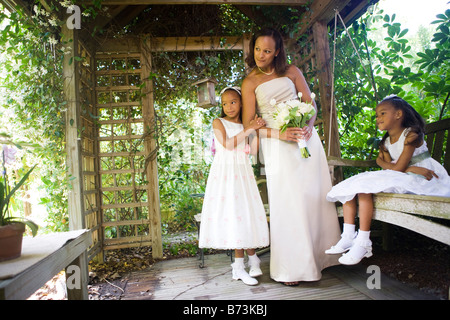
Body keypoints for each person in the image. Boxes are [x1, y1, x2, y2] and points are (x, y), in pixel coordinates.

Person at [241, 28, 341, 286]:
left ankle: (322, 258)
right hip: (278, 145)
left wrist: (309, 125)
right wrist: (279, 134)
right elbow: (249, 125)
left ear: (277, 52)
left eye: (267, 51)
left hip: (306, 141)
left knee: (314, 197)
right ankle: (292, 268)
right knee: (289, 203)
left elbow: (310, 104)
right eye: (257, 49)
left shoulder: (292, 71)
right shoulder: (250, 82)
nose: (261, 55)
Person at [326, 95, 450, 265]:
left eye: (383, 113)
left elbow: (393, 167)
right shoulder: (385, 142)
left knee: (365, 187)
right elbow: (383, 163)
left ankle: (363, 241)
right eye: (377, 115)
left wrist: (401, 167)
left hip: (424, 177)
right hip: (407, 173)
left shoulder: (411, 135)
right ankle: (348, 236)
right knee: (356, 186)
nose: (378, 118)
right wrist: (407, 168)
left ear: (398, 114)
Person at [199, 86, 270, 286]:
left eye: (233, 102)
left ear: (241, 103)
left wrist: (255, 131)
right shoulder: (218, 122)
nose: (229, 107)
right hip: (225, 173)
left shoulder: (245, 125)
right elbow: (228, 145)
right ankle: (239, 267)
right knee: (234, 213)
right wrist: (249, 129)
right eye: (224, 103)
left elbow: (253, 151)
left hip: (243, 171)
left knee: (245, 213)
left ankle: (252, 259)